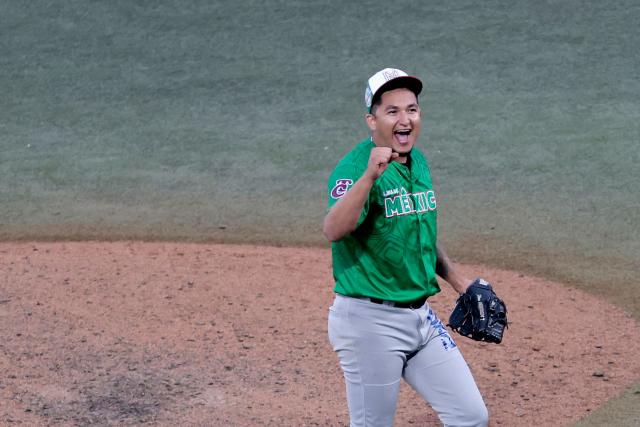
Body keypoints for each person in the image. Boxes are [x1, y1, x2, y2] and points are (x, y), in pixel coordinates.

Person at [323, 68, 489, 427]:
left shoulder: (418, 161)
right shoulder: (354, 169)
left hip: (420, 319)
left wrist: (462, 284)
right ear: (372, 120)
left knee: (470, 416)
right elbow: (334, 229)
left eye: (411, 109)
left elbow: (421, 235)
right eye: (392, 111)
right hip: (370, 322)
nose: (405, 119)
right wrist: (369, 177)